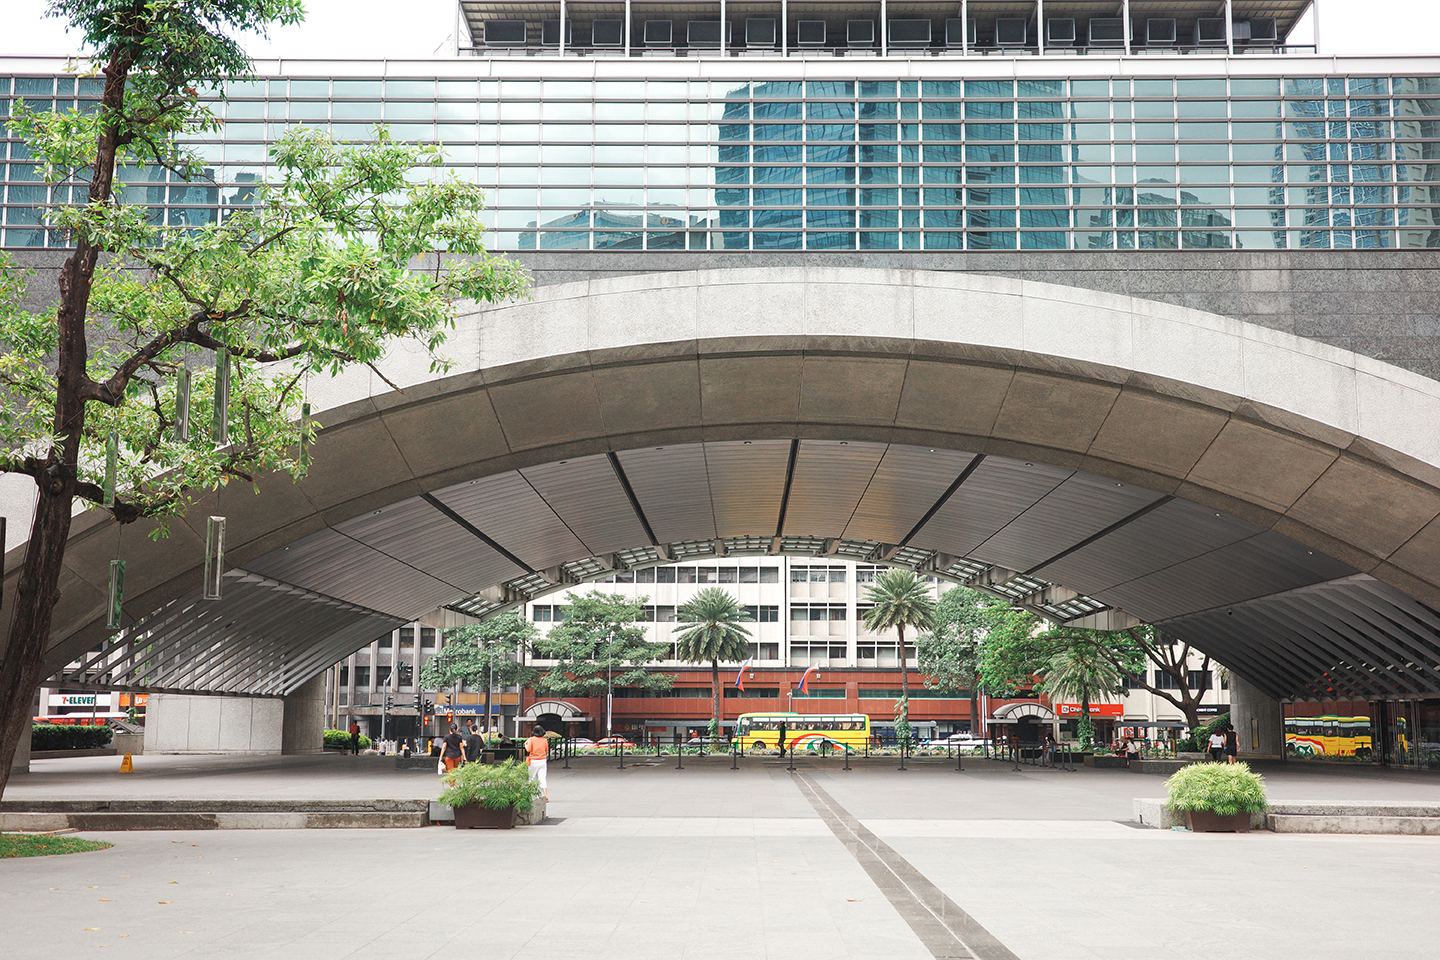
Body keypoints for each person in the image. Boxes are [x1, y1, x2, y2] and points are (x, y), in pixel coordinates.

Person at [525, 724, 550, 802]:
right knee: (542, 778)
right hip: (542, 760)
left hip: (533, 761)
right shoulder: (544, 740)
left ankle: (530, 795)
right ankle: (545, 795)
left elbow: (528, 749)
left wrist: (525, 744)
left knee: (531, 777)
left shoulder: (531, 739)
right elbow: (547, 751)